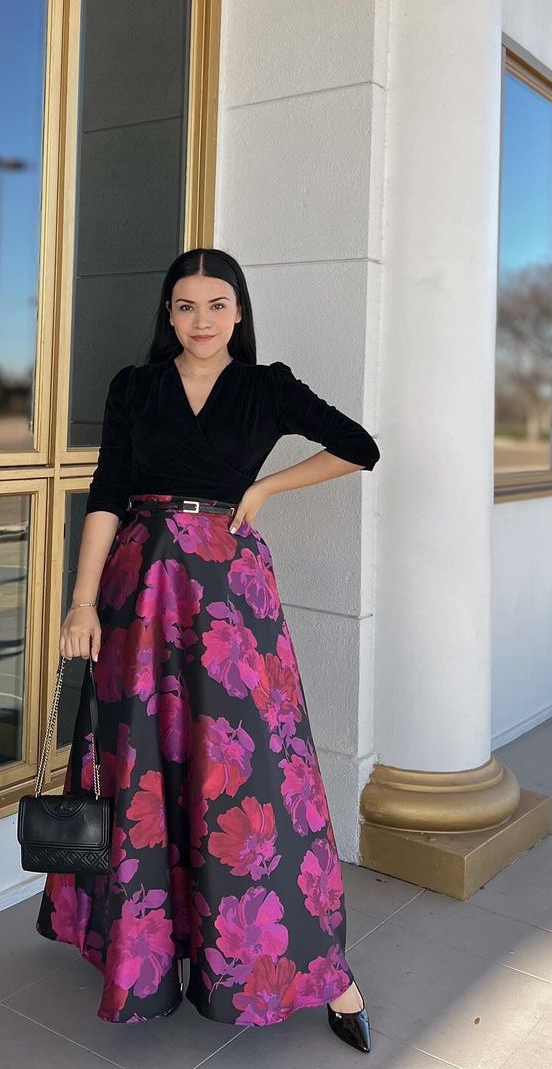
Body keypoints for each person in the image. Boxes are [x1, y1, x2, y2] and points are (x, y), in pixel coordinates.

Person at [36, 248, 381, 1051]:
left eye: (217, 304)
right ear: (168, 312)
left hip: (230, 600)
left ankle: (318, 969)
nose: (201, 319)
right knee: (144, 771)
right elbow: (106, 495)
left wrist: (263, 490)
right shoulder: (135, 387)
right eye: (186, 305)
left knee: (251, 772)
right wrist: (82, 600)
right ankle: (150, 956)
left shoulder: (268, 387)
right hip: (140, 587)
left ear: (239, 311)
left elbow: (359, 445)